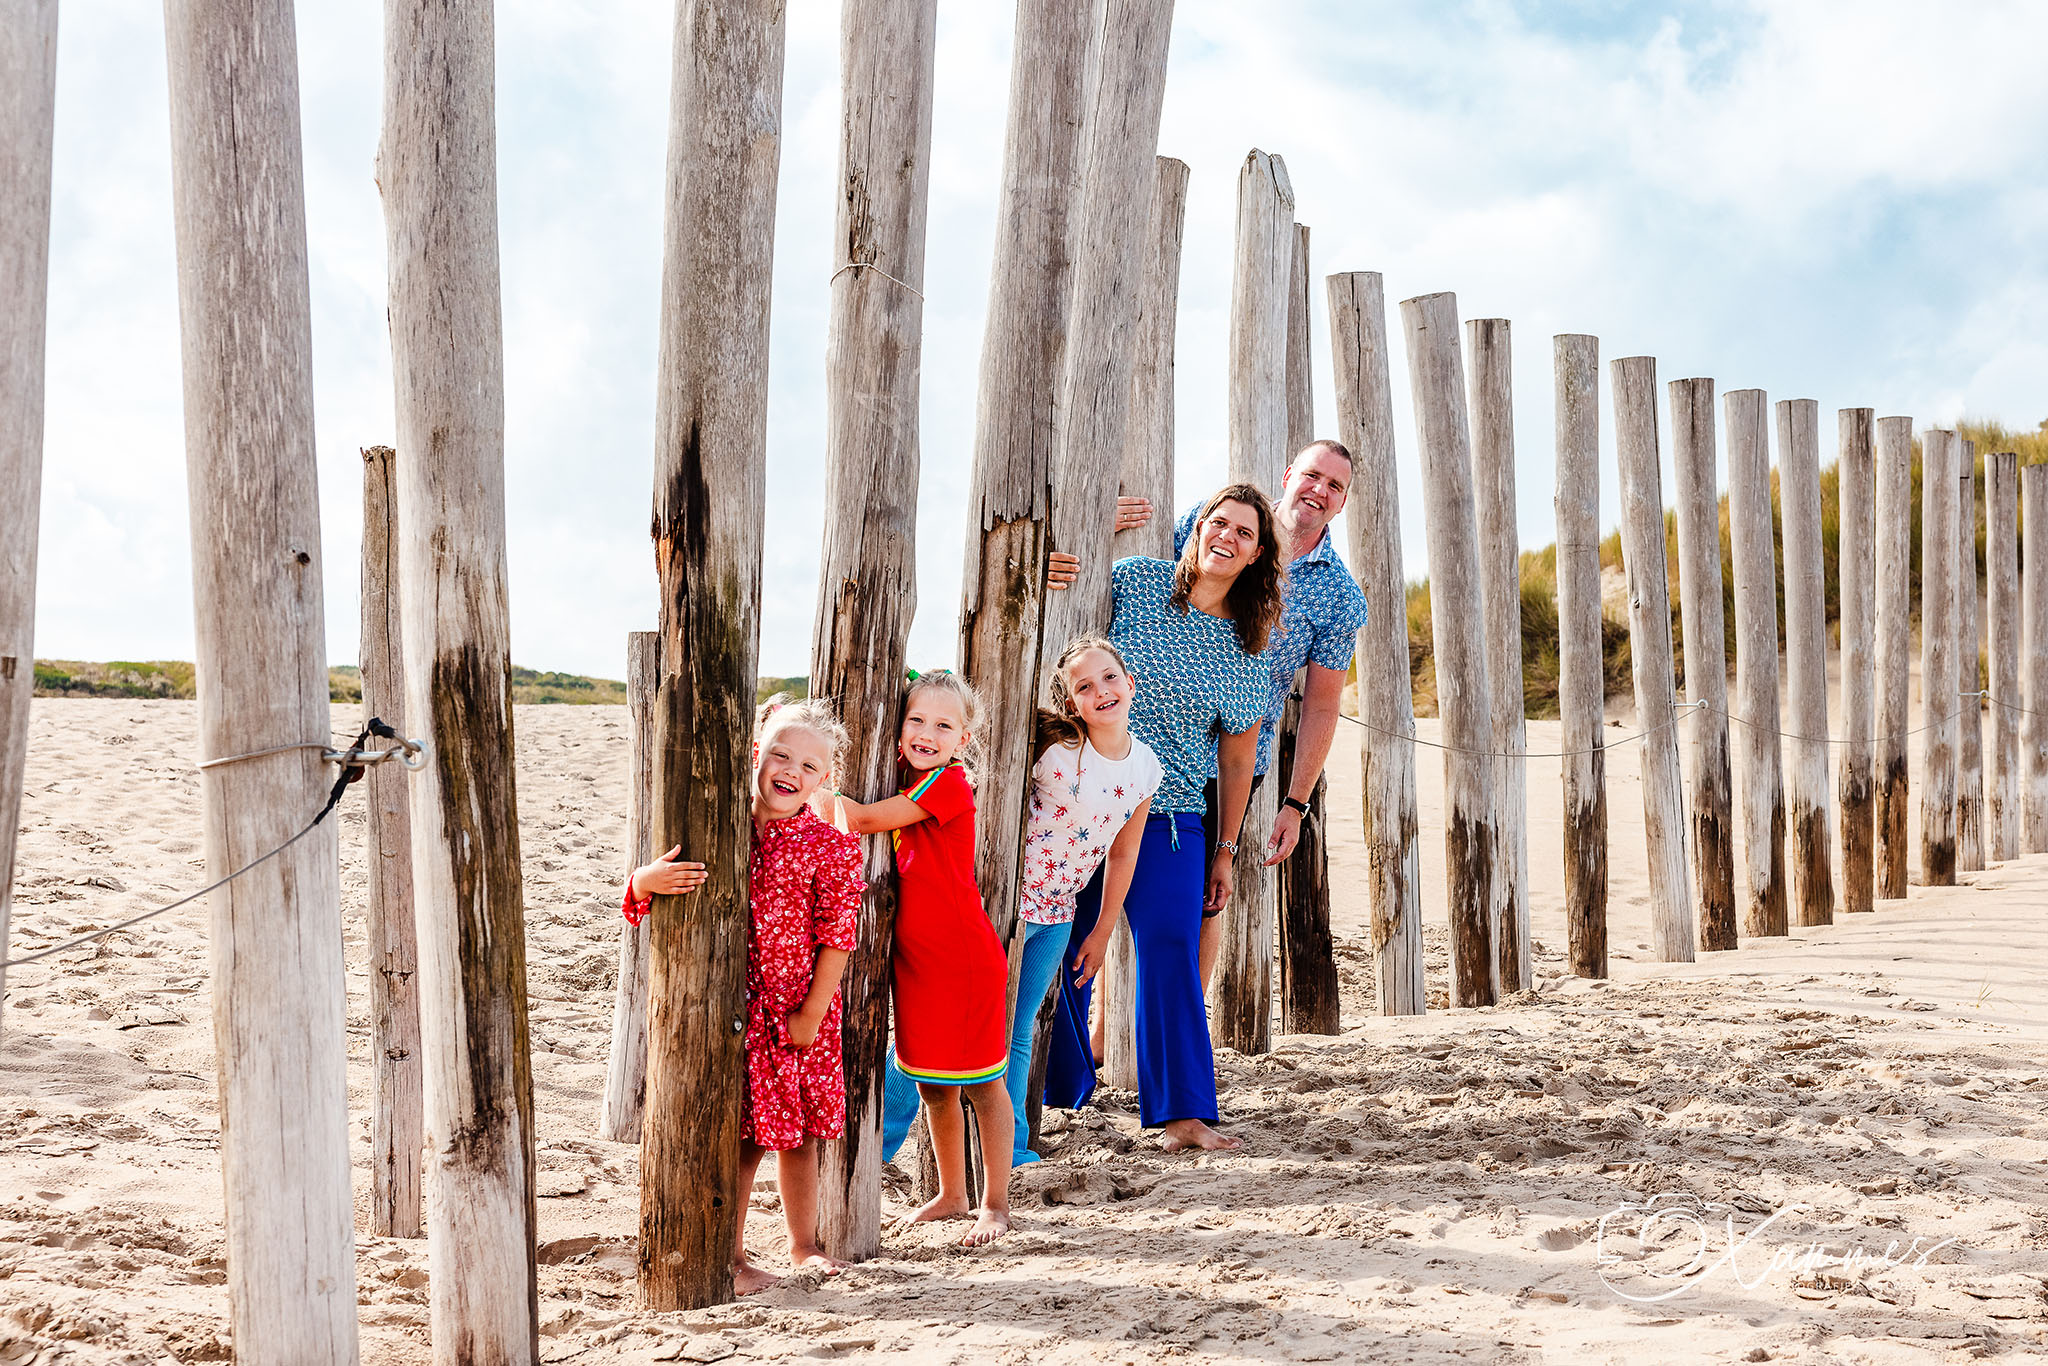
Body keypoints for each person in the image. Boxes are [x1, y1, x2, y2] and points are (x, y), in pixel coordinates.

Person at [1064, 439, 1369, 1002]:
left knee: (1205, 894)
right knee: (1101, 873)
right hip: (1143, 738)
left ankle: (1188, 1020)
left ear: (1344, 502)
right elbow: (1149, 582)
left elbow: (1324, 704)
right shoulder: (1222, 523)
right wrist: (1092, 527)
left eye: (1335, 487)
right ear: (1289, 475)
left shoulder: (1338, 594)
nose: (1319, 491)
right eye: (1313, 476)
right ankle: (1105, 1030)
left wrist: (1296, 802)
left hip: (1229, 756)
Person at [1048, 483, 1280, 1150]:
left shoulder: (1248, 646)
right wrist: (1068, 551)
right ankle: (1064, 1092)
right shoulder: (1138, 582)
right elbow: (1068, 605)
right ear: (1197, 527)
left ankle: (1182, 1114)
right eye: (1219, 521)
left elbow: (1237, 764)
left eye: (1243, 533)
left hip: (1172, 815)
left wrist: (1227, 850)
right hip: (1082, 802)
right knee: (1059, 944)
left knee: (1170, 949)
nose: (1226, 537)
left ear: (1257, 555)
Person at [622, 697, 860, 1295]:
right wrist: (642, 880)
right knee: (741, 1137)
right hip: (727, 1008)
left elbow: (838, 937)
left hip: (795, 1014)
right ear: (756, 753)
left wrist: (811, 1012)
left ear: (825, 779)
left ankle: (804, 1245)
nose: (792, 771)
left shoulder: (830, 846)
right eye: (781, 754)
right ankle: (729, 1254)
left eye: (810, 766)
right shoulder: (717, 823)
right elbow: (647, 895)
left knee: (798, 1133)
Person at [813, 671, 1015, 1245]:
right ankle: (953, 1194)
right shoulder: (905, 774)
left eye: (943, 725)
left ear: (964, 739)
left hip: (961, 959)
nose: (927, 733)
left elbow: (866, 819)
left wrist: (801, 789)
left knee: (982, 1084)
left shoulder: (950, 783)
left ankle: (994, 1203)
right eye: (916, 721)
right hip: (917, 961)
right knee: (932, 1085)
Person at [1005, 637, 1160, 1163]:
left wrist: (1101, 931)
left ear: (1130, 681)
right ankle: (883, 1138)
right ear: (1071, 703)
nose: (1102, 691)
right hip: (1004, 907)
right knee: (957, 1027)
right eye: (1085, 686)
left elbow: (1124, 854)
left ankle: (1015, 1143)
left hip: (1058, 913)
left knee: (1021, 1028)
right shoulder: (1053, 750)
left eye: (1110, 677)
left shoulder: (1145, 767)